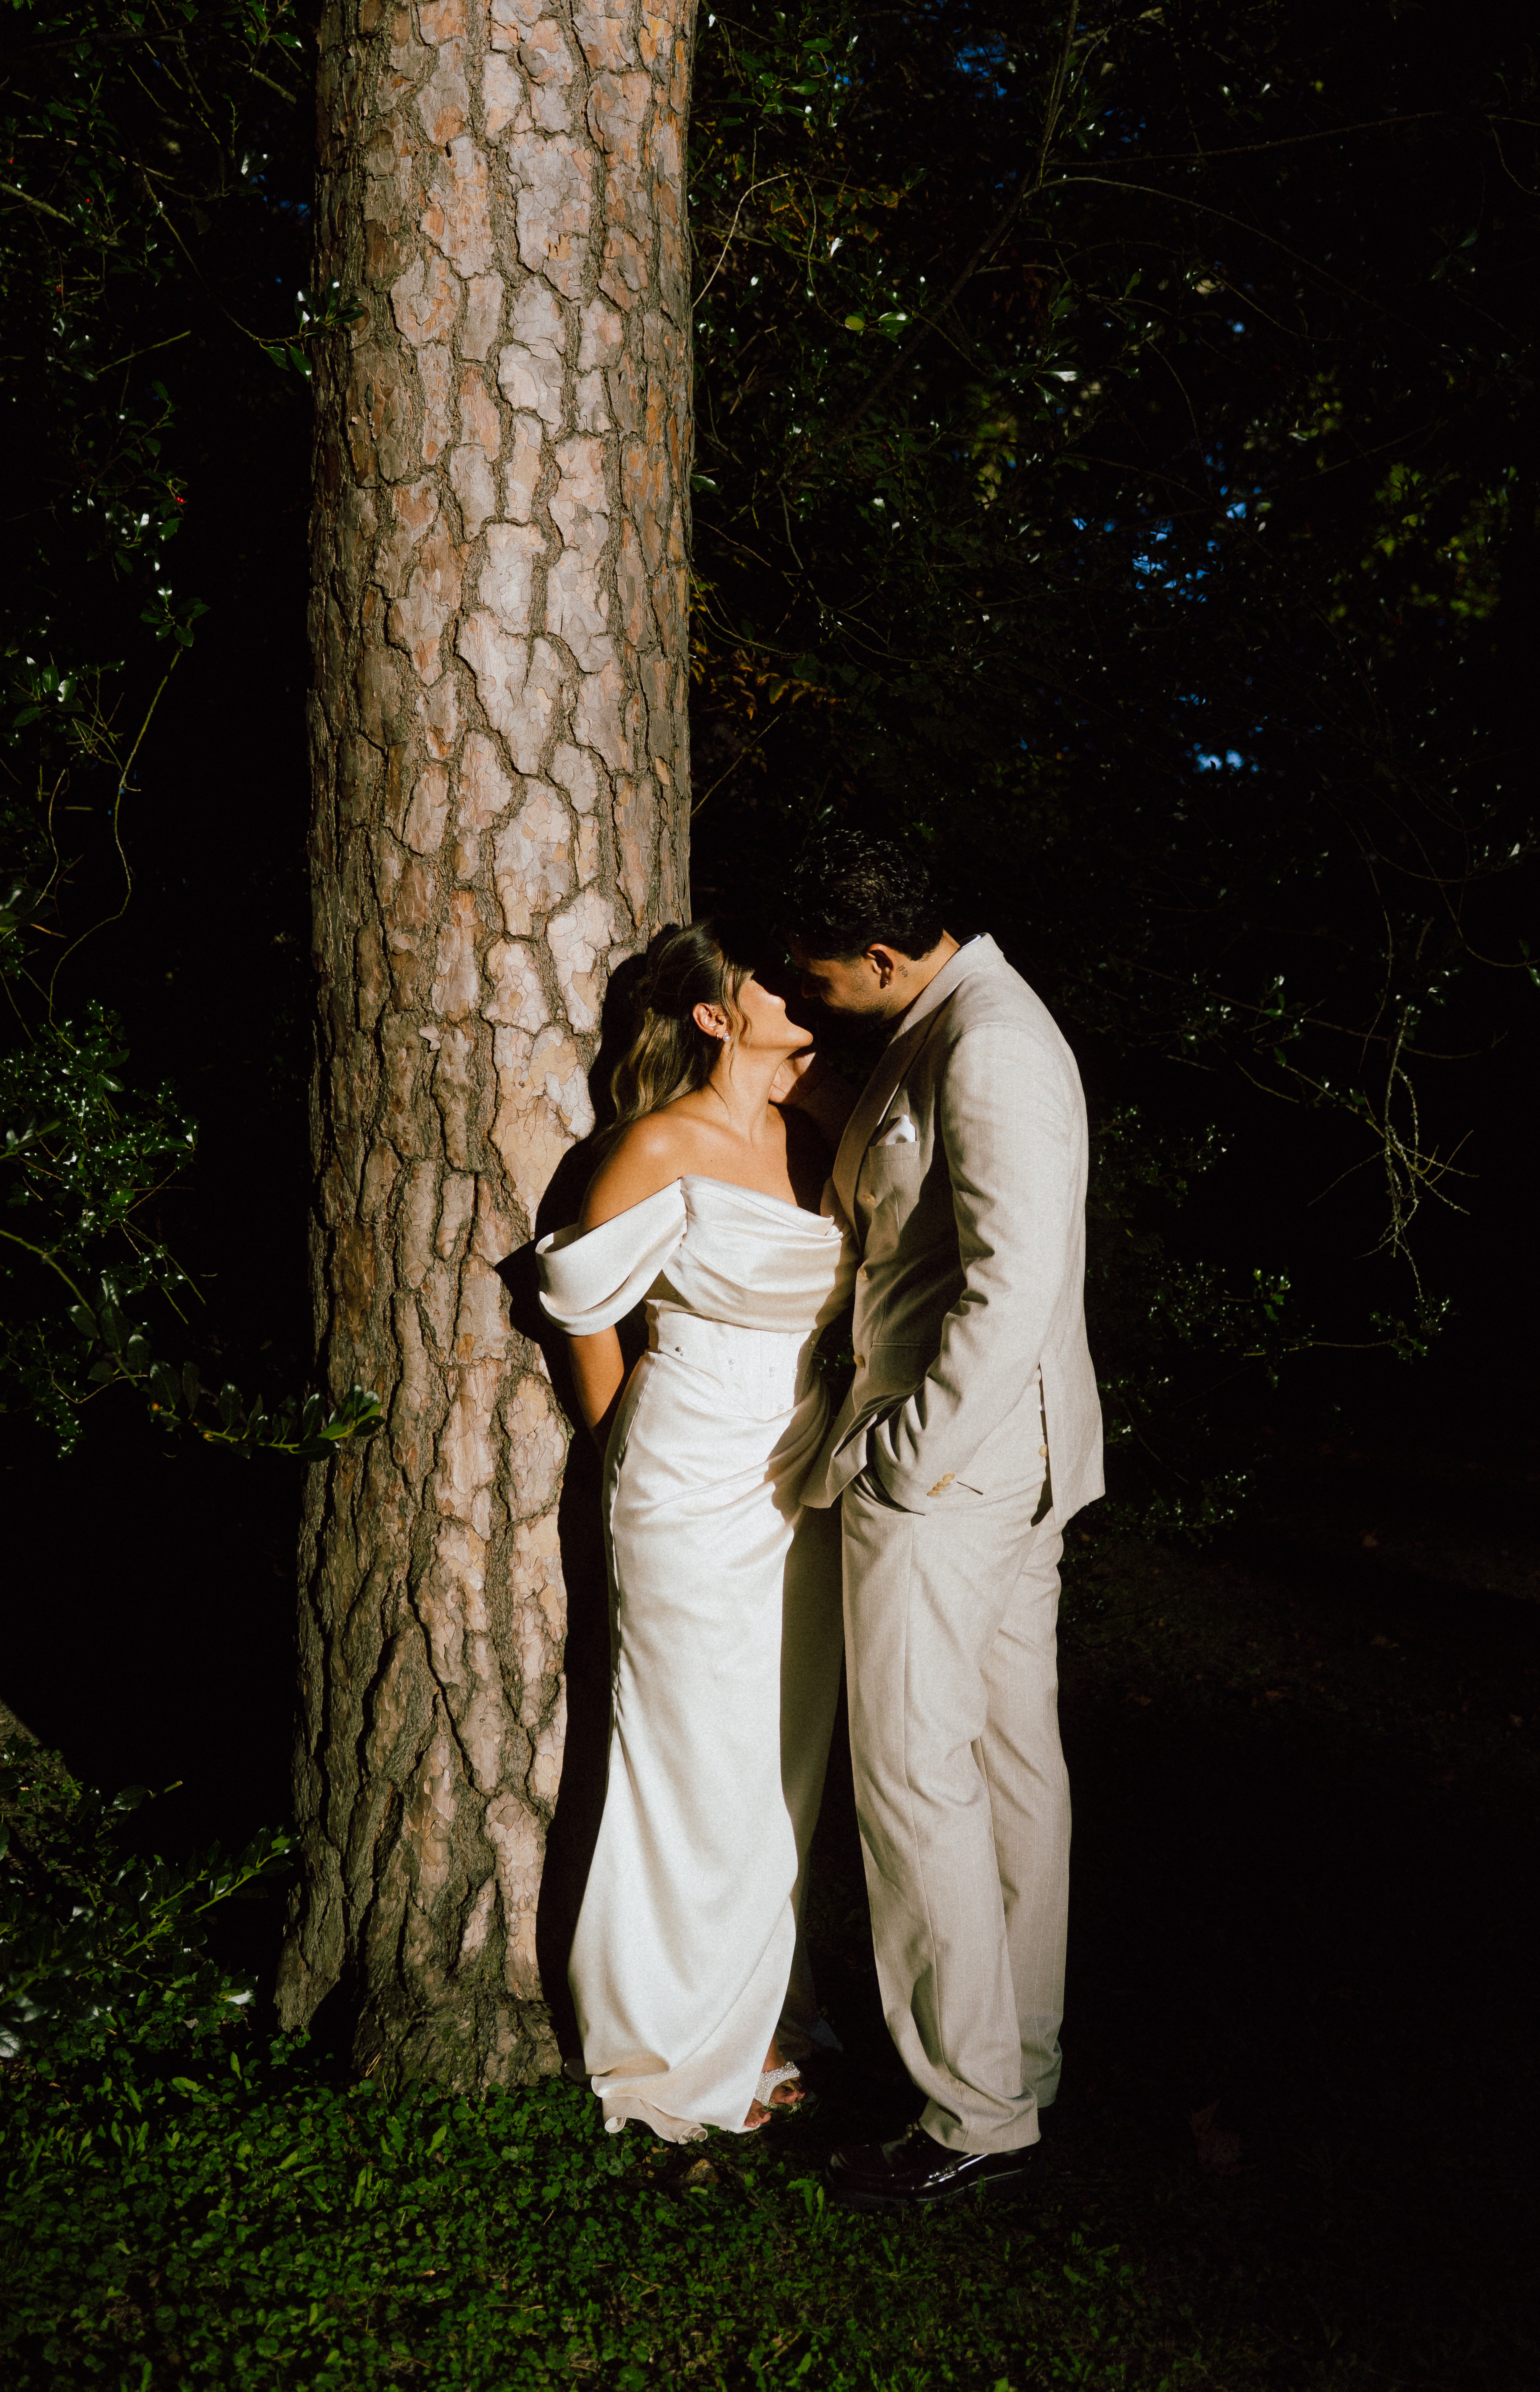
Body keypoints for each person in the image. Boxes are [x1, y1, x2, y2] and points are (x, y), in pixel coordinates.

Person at [781, 830, 1104, 2213]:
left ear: (884, 956)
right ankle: (1015, 2063)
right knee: (1007, 1761)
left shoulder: (991, 1044)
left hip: (956, 1469)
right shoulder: (944, 1023)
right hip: (991, 1463)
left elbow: (1014, 1277)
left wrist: (907, 1461)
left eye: (823, 987)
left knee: (920, 1776)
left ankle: (970, 2111)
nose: (809, 1008)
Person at [535, 918, 856, 2142]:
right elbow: (580, 1304)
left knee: (781, 1756)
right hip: (683, 1473)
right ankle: (669, 2041)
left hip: (795, 1475)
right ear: (715, 1016)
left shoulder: (809, 1136)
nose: (794, 985)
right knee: (686, 1759)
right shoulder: (656, 1144)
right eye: (764, 977)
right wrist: (625, 1443)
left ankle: (762, 2002)